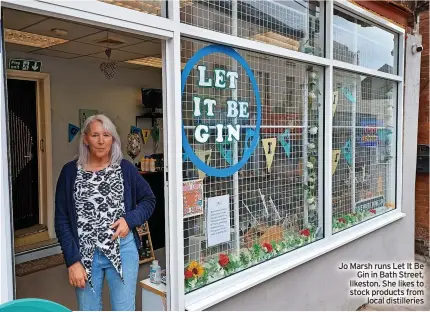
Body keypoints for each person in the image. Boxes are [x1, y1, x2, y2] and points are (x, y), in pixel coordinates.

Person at [55, 114, 156, 311]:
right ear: (85, 139)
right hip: (85, 254)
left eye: (107, 135)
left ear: (113, 139)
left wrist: (129, 220)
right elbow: (61, 219)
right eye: (95, 135)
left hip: (123, 250)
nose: (101, 141)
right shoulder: (69, 172)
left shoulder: (124, 168)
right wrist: (72, 261)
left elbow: (149, 200)